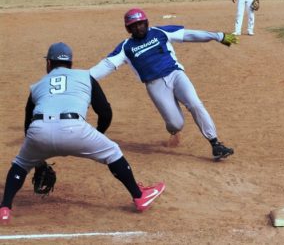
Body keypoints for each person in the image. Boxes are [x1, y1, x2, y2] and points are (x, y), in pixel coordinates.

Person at [0, 42, 165, 224]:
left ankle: (5, 209)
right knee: (112, 152)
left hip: (39, 130)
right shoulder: (86, 77)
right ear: (70, 63)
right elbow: (105, 112)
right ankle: (139, 196)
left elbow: (27, 124)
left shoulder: (37, 86)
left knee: (20, 164)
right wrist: (97, 135)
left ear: (48, 63)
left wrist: (38, 160)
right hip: (74, 129)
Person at [90, 8, 238, 161]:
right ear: (128, 28)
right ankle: (174, 131)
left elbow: (189, 34)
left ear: (146, 23)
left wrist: (218, 36)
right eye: (133, 25)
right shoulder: (125, 47)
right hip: (155, 85)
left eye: (141, 23)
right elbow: (105, 66)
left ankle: (215, 144)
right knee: (176, 124)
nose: (138, 27)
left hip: (176, 75)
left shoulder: (160, 32)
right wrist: (80, 78)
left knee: (195, 104)